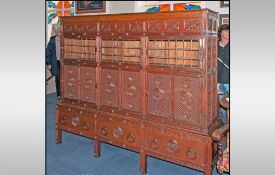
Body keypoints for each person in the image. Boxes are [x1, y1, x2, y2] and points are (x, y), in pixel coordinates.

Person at [217, 24, 229, 124]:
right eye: (226, 31)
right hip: (219, 81)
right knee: (223, 106)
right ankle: (225, 128)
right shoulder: (214, 46)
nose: (228, 33)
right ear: (221, 33)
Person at [46, 24, 61, 97]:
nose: (60, 32)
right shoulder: (52, 40)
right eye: (58, 30)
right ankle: (59, 94)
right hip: (56, 62)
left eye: (60, 30)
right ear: (55, 32)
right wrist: (48, 63)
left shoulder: (65, 39)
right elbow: (48, 52)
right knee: (58, 78)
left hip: (64, 62)